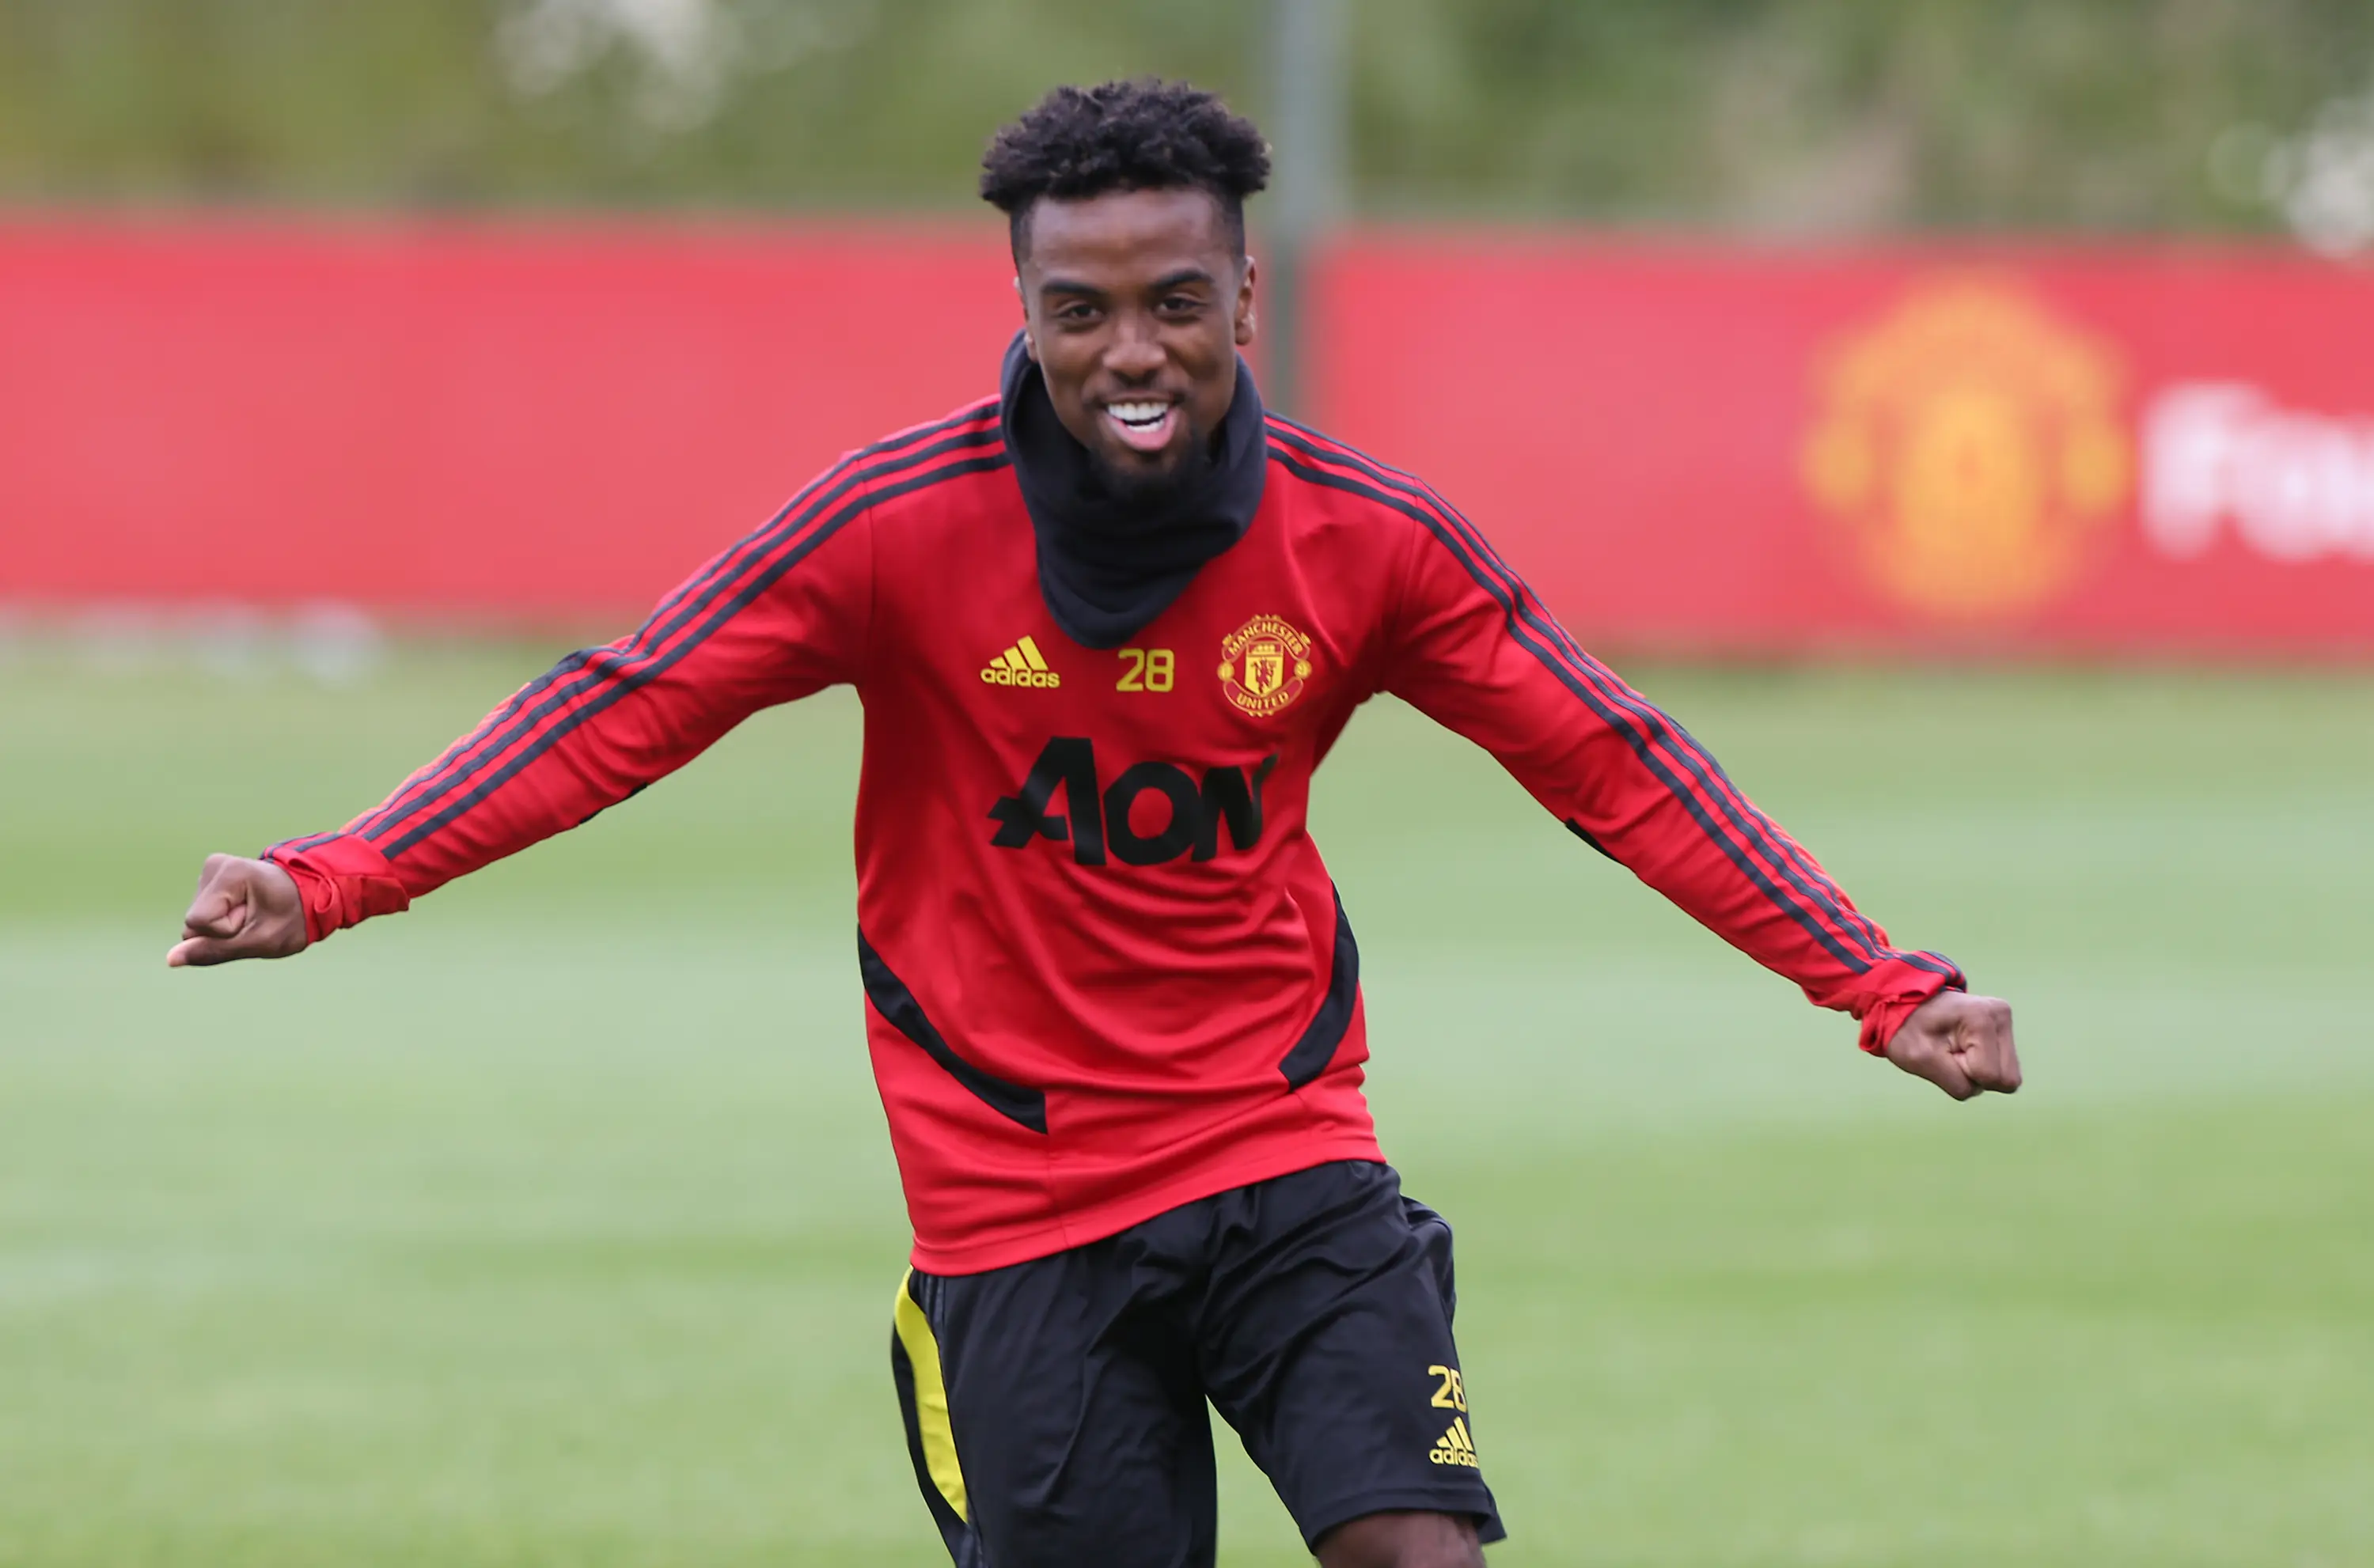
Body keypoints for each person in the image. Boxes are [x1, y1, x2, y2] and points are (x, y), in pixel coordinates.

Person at [169, 78, 2019, 1568]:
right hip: (1010, 1206)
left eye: (1173, 302)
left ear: (1245, 300)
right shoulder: (895, 526)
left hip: (1285, 1145)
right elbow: (628, 702)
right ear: (1024, 311)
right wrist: (334, 877)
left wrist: (1878, 980)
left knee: (1415, 1545)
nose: (1130, 350)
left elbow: (1615, 762)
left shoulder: (1367, 542)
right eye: (1080, 310)